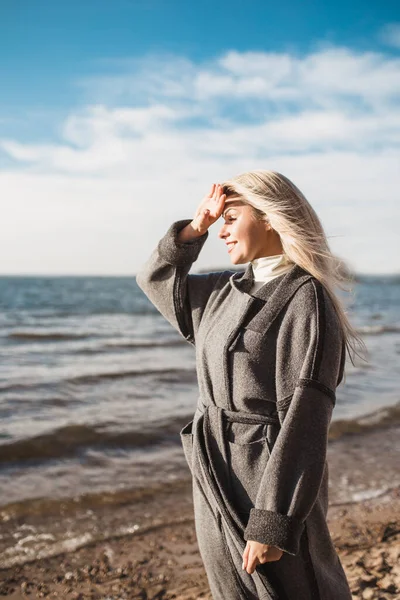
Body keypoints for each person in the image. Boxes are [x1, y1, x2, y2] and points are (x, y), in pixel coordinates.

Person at [136, 171, 366, 600]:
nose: (221, 231)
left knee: (296, 589)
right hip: (211, 470)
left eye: (231, 217)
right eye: (219, 221)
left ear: (269, 218)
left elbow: (306, 420)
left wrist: (273, 521)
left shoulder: (306, 298)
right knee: (230, 589)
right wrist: (194, 228)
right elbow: (154, 280)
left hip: (269, 480)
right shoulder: (223, 290)